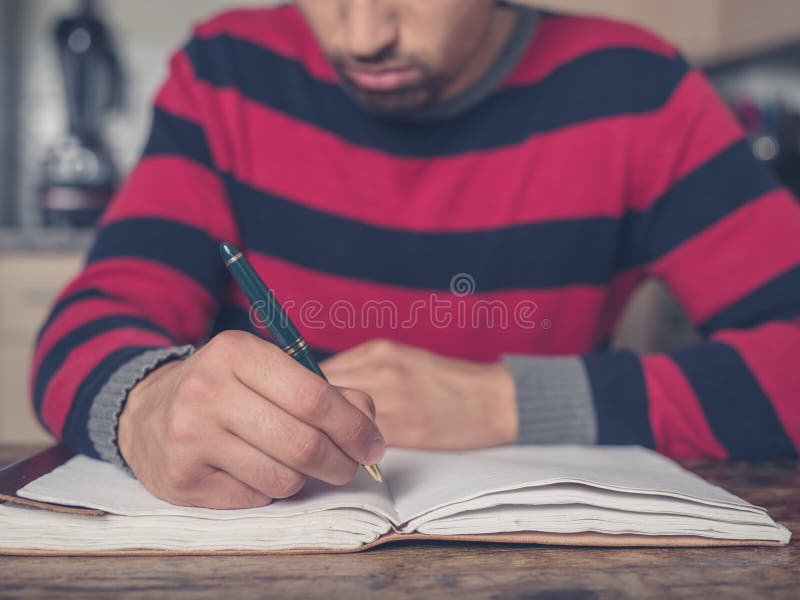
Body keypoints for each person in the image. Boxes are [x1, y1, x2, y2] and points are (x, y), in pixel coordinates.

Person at [31, 0, 799, 509]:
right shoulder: (223, 74)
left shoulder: (638, 90)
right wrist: (146, 403)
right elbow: (92, 321)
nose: (364, 36)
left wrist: (506, 404)